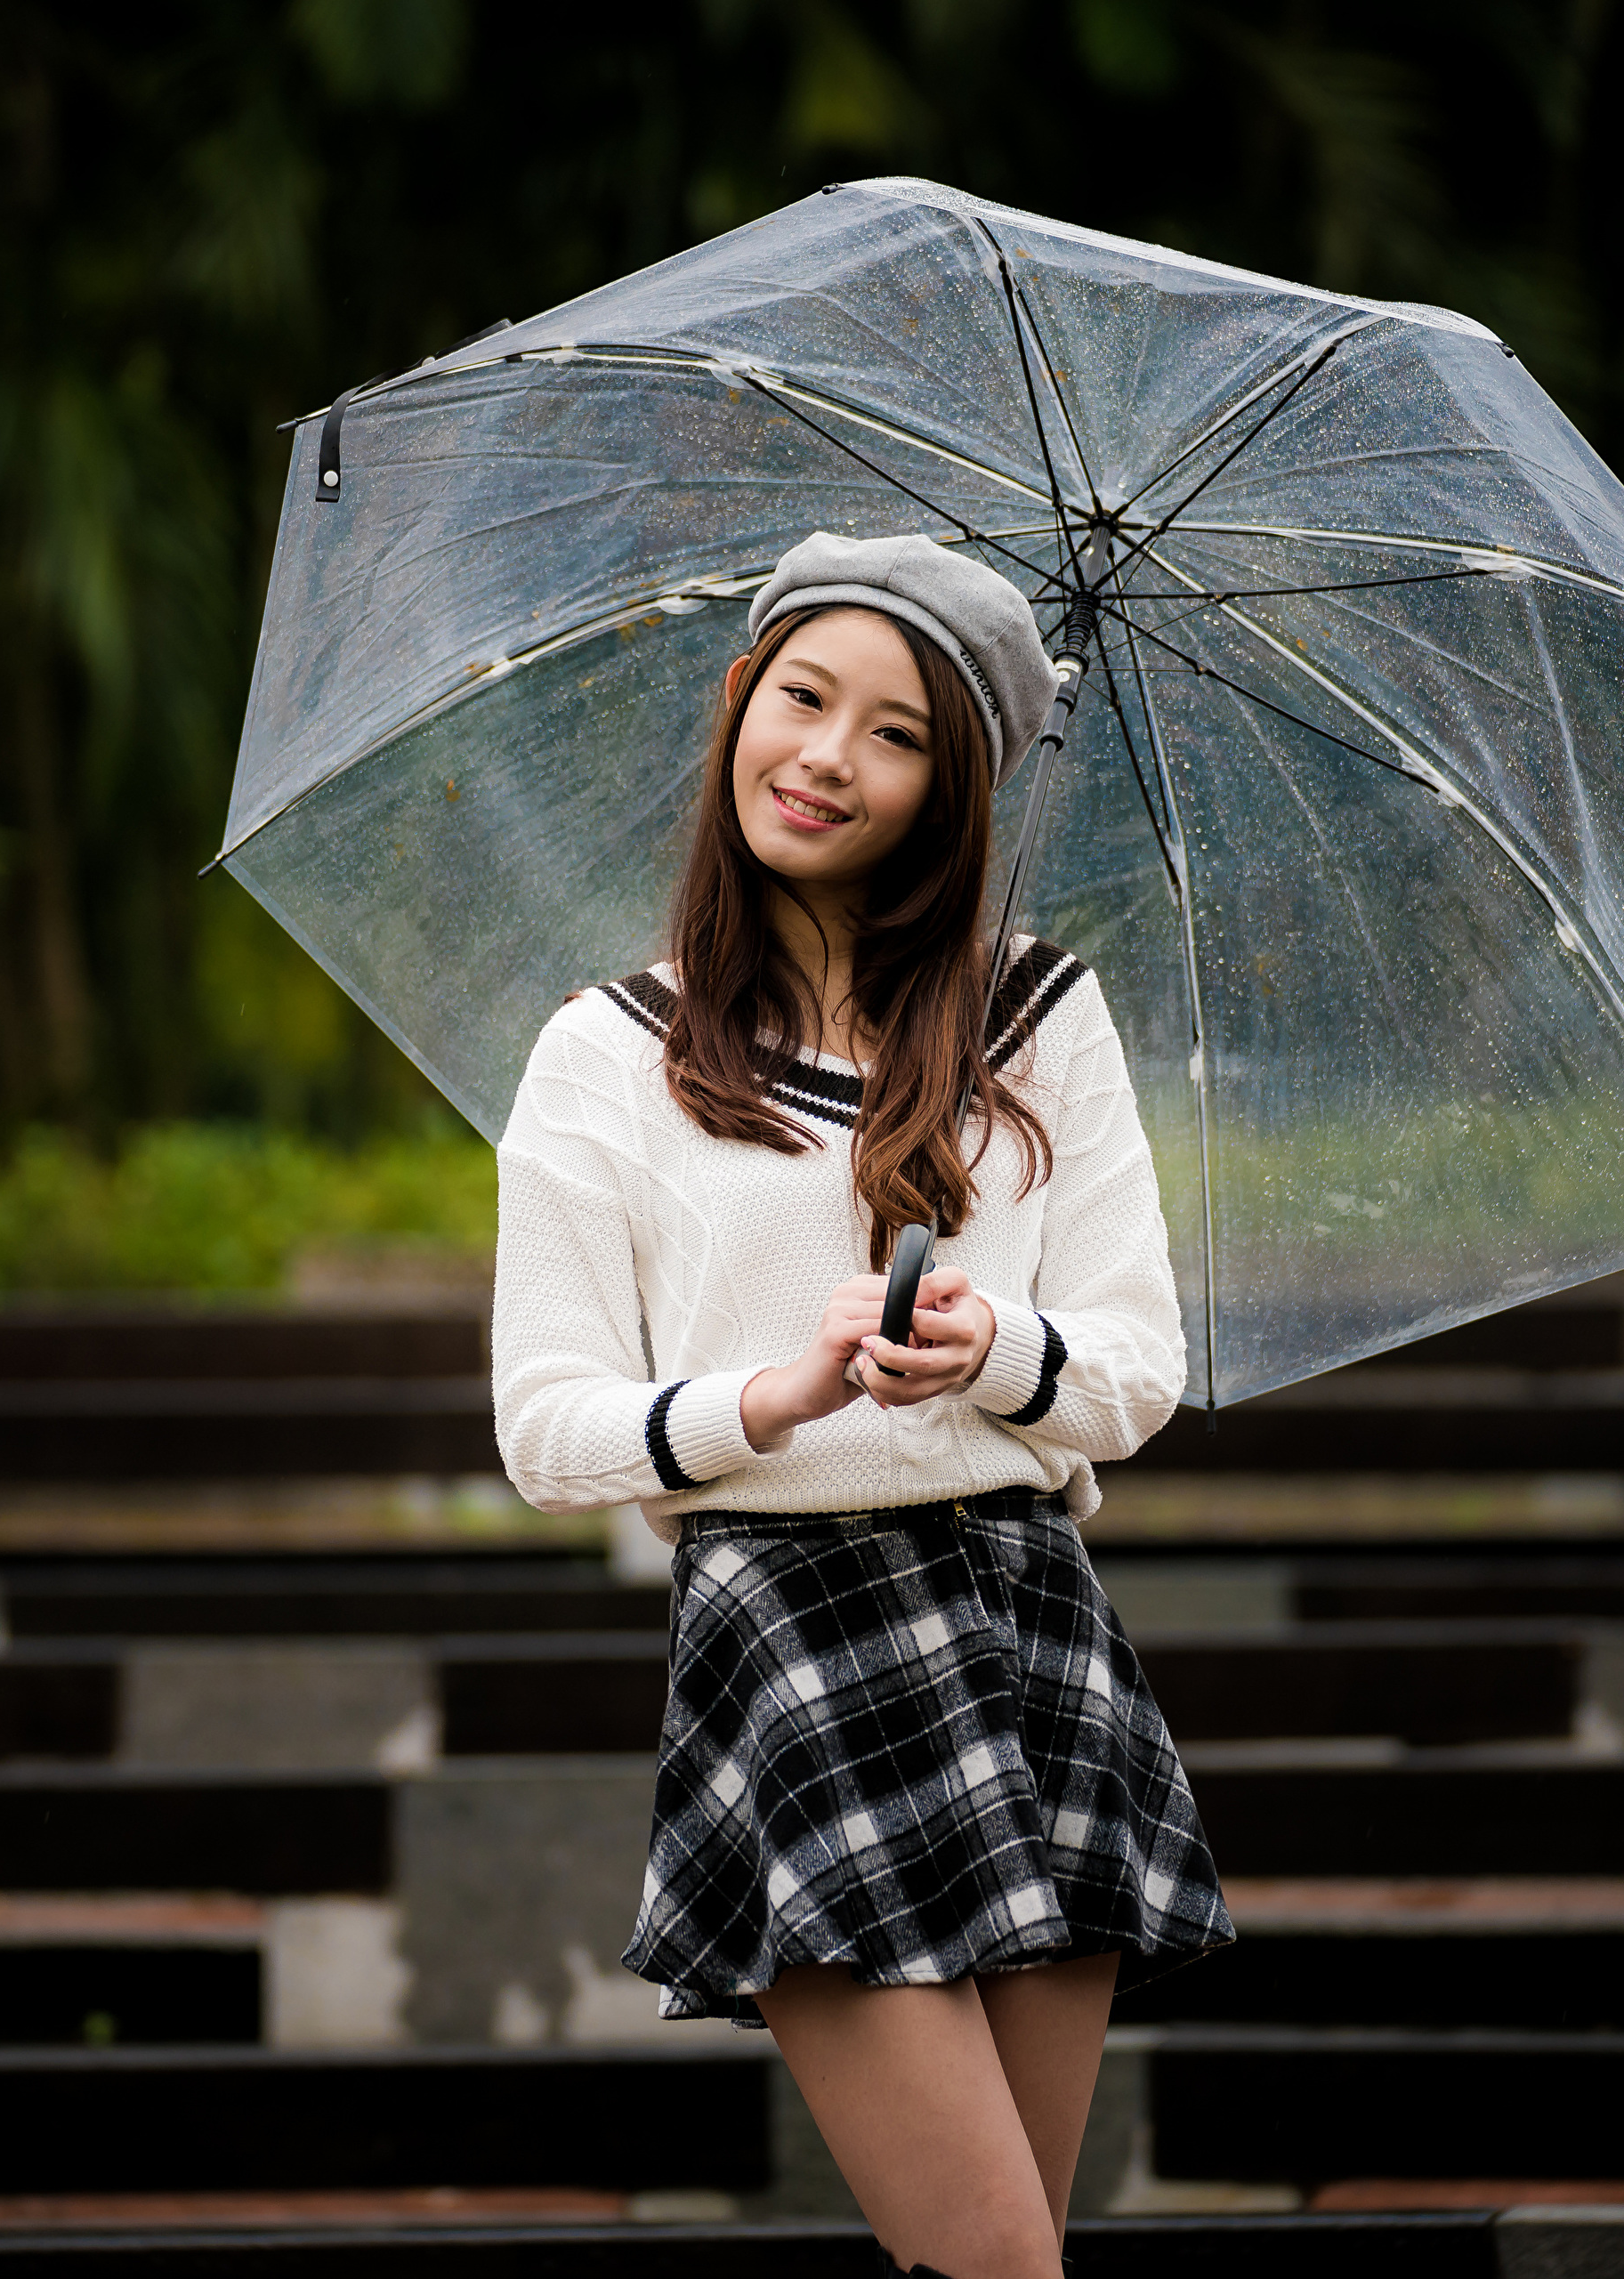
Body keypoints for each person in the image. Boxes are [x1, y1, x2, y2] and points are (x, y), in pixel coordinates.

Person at [490, 530, 1232, 2279]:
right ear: (741, 701)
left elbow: (1134, 1367)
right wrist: (770, 1394)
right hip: (793, 1648)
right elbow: (545, 1425)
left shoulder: (1035, 1012)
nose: (827, 757)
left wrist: (995, 1354)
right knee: (994, 2263)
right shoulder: (610, 1051)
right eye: (804, 698)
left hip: (1021, 1626)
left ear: (949, 789)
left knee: (998, 2259)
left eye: (896, 733)